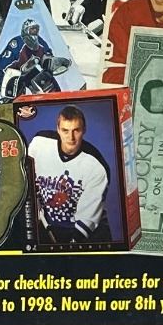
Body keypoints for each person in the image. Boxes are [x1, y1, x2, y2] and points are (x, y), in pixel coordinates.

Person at [26, 104, 111, 245]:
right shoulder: (40, 143)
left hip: (89, 232)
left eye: (76, 130)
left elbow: (87, 220)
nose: (71, 137)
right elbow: (25, 178)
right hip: (48, 224)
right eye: (65, 130)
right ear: (58, 129)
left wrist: (71, 246)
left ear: (84, 130)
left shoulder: (96, 166)